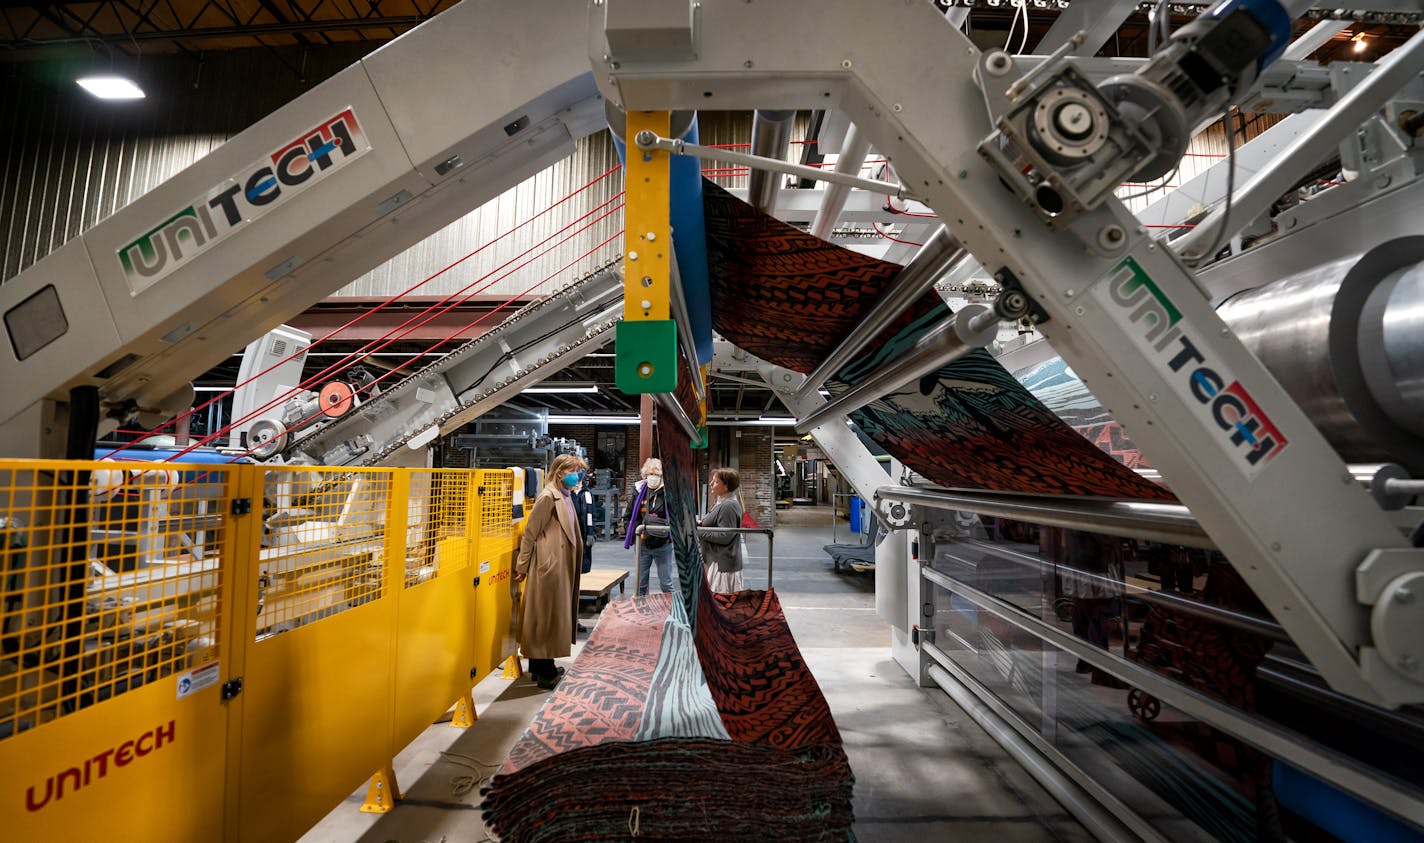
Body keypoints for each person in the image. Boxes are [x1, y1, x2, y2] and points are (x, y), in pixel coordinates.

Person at [514, 454, 586, 690]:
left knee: (551, 616)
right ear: (559, 472)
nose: (577, 476)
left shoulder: (564, 496)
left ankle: (540, 666)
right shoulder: (548, 497)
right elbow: (530, 533)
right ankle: (545, 672)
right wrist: (522, 567)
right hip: (549, 565)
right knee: (546, 617)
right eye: (573, 471)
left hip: (560, 565)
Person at [624, 457, 674, 597]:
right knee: (640, 584)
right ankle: (640, 613)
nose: (653, 477)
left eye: (656, 474)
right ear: (645, 475)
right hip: (643, 544)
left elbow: (676, 517)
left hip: (662, 544)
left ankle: (671, 611)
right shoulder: (638, 490)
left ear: (661, 476)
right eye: (650, 474)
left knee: (666, 583)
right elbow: (628, 516)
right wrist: (635, 534)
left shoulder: (668, 492)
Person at [698, 468, 744, 593]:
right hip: (717, 561)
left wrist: (698, 531)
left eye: (716, 482)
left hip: (722, 565)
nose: (712, 484)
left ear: (726, 486)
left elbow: (725, 535)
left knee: (721, 602)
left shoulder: (728, 505)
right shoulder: (722, 502)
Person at [570, 470, 596, 634]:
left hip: (583, 539)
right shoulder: (565, 494)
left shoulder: (586, 494)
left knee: (578, 578)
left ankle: (575, 618)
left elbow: (590, 514)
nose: (578, 484)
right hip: (569, 540)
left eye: (580, 481)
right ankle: (571, 619)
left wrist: (591, 532)